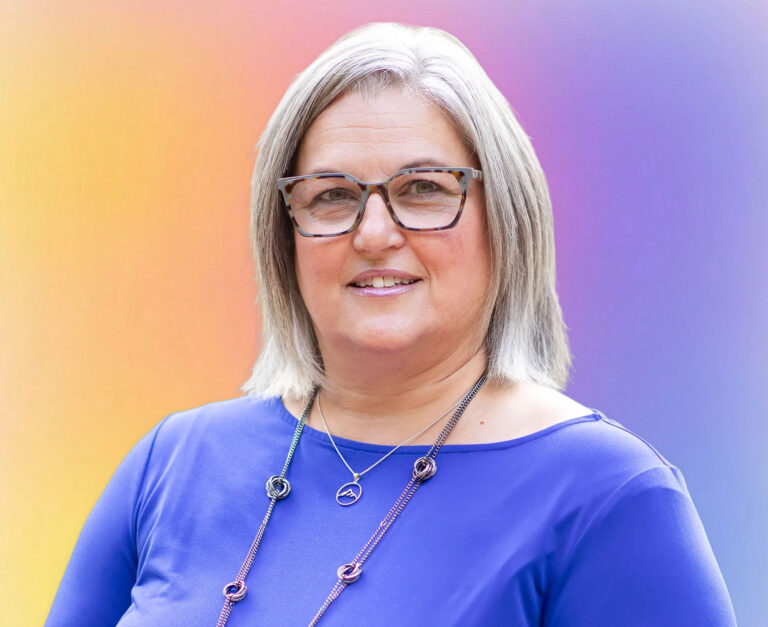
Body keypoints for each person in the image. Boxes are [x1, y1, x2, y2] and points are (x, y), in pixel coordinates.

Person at [46, 22, 737, 627]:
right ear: (283, 232)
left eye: (424, 189)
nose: (374, 233)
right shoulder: (172, 463)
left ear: (506, 219)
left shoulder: (610, 499)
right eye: (333, 196)